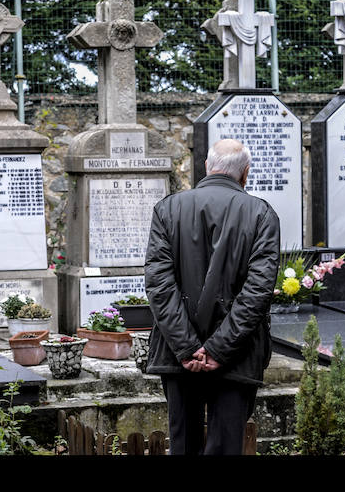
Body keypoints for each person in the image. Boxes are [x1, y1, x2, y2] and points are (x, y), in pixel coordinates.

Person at [144, 138, 280, 455]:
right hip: (238, 353)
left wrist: (187, 348)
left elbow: (159, 284)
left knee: (184, 443)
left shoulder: (168, 209)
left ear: (207, 166)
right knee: (226, 446)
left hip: (178, 356)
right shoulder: (261, 214)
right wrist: (218, 349)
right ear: (245, 173)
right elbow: (257, 291)